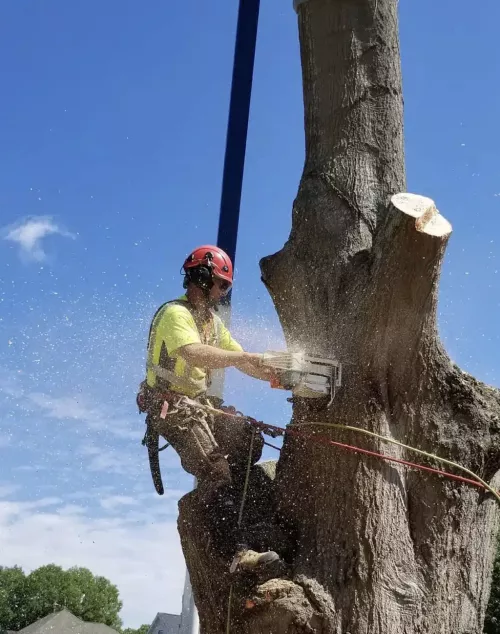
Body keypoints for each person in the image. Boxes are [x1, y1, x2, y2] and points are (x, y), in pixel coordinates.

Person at [137, 245, 282, 575]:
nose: (223, 293)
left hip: (199, 406)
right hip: (171, 408)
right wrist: (243, 359)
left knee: (250, 441)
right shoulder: (176, 314)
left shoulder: (212, 323)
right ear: (201, 278)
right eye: (222, 285)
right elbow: (194, 353)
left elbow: (242, 358)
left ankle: (241, 515)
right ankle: (235, 553)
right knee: (216, 470)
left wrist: (278, 373)